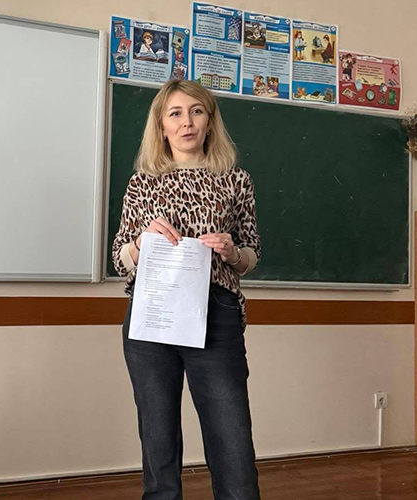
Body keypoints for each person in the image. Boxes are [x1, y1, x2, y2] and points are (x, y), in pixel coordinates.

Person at [112, 79, 262, 500]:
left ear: (210, 121)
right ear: (161, 125)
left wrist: (233, 252)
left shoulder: (236, 179)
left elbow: (252, 254)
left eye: (197, 111)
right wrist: (140, 243)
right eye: (175, 113)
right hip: (152, 315)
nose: (187, 122)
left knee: (231, 435)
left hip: (215, 312)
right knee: (157, 436)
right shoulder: (141, 183)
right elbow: (120, 258)